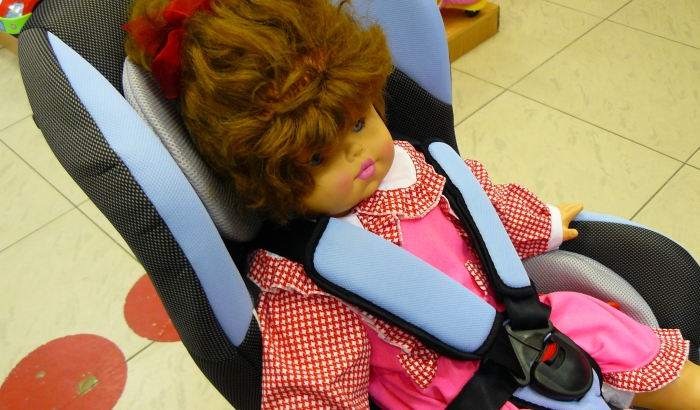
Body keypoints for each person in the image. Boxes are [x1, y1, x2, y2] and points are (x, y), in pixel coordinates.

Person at [122, 0, 700, 408]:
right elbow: (317, 386)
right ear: (267, 176)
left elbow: (479, 212)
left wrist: (543, 221)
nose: (357, 155)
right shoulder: (304, 283)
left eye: (358, 122)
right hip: (442, 388)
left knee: (595, 319)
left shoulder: (411, 165)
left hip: (513, 323)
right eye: (319, 158)